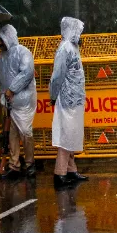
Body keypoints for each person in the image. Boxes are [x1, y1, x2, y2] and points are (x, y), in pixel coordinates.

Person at [0, 24, 37, 180]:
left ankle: (30, 164)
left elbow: (27, 73)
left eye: (1, 40)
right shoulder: (1, 57)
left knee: (25, 132)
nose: (0, 43)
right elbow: (0, 77)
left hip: (24, 102)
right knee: (12, 135)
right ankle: (14, 166)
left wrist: (12, 89)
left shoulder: (23, 52)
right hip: (10, 102)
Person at [50, 17, 88, 187]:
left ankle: (71, 170)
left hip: (75, 99)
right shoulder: (65, 48)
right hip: (67, 100)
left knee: (72, 135)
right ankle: (60, 173)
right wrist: (53, 95)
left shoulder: (73, 47)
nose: (80, 34)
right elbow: (57, 76)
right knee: (66, 136)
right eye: (78, 30)